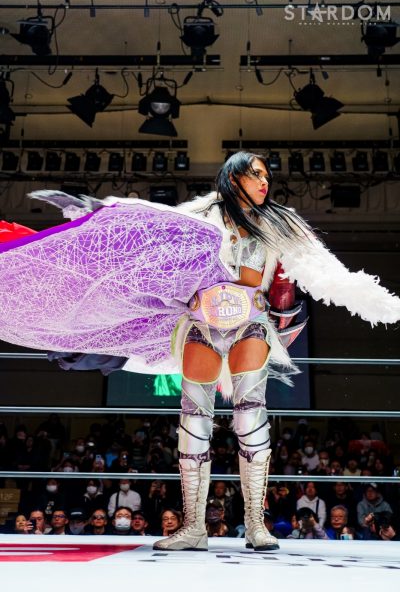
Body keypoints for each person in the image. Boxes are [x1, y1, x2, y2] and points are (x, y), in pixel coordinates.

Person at [1, 152, 400, 552]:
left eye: (266, 175)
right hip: (200, 323)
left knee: (250, 416)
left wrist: (381, 304)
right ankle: (193, 527)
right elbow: (151, 228)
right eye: (255, 174)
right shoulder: (200, 214)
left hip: (251, 323)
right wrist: (102, 213)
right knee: (193, 421)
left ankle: (256, 526)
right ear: (233, 178)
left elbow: (325, 273)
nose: (264, 182)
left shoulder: (282, 222)